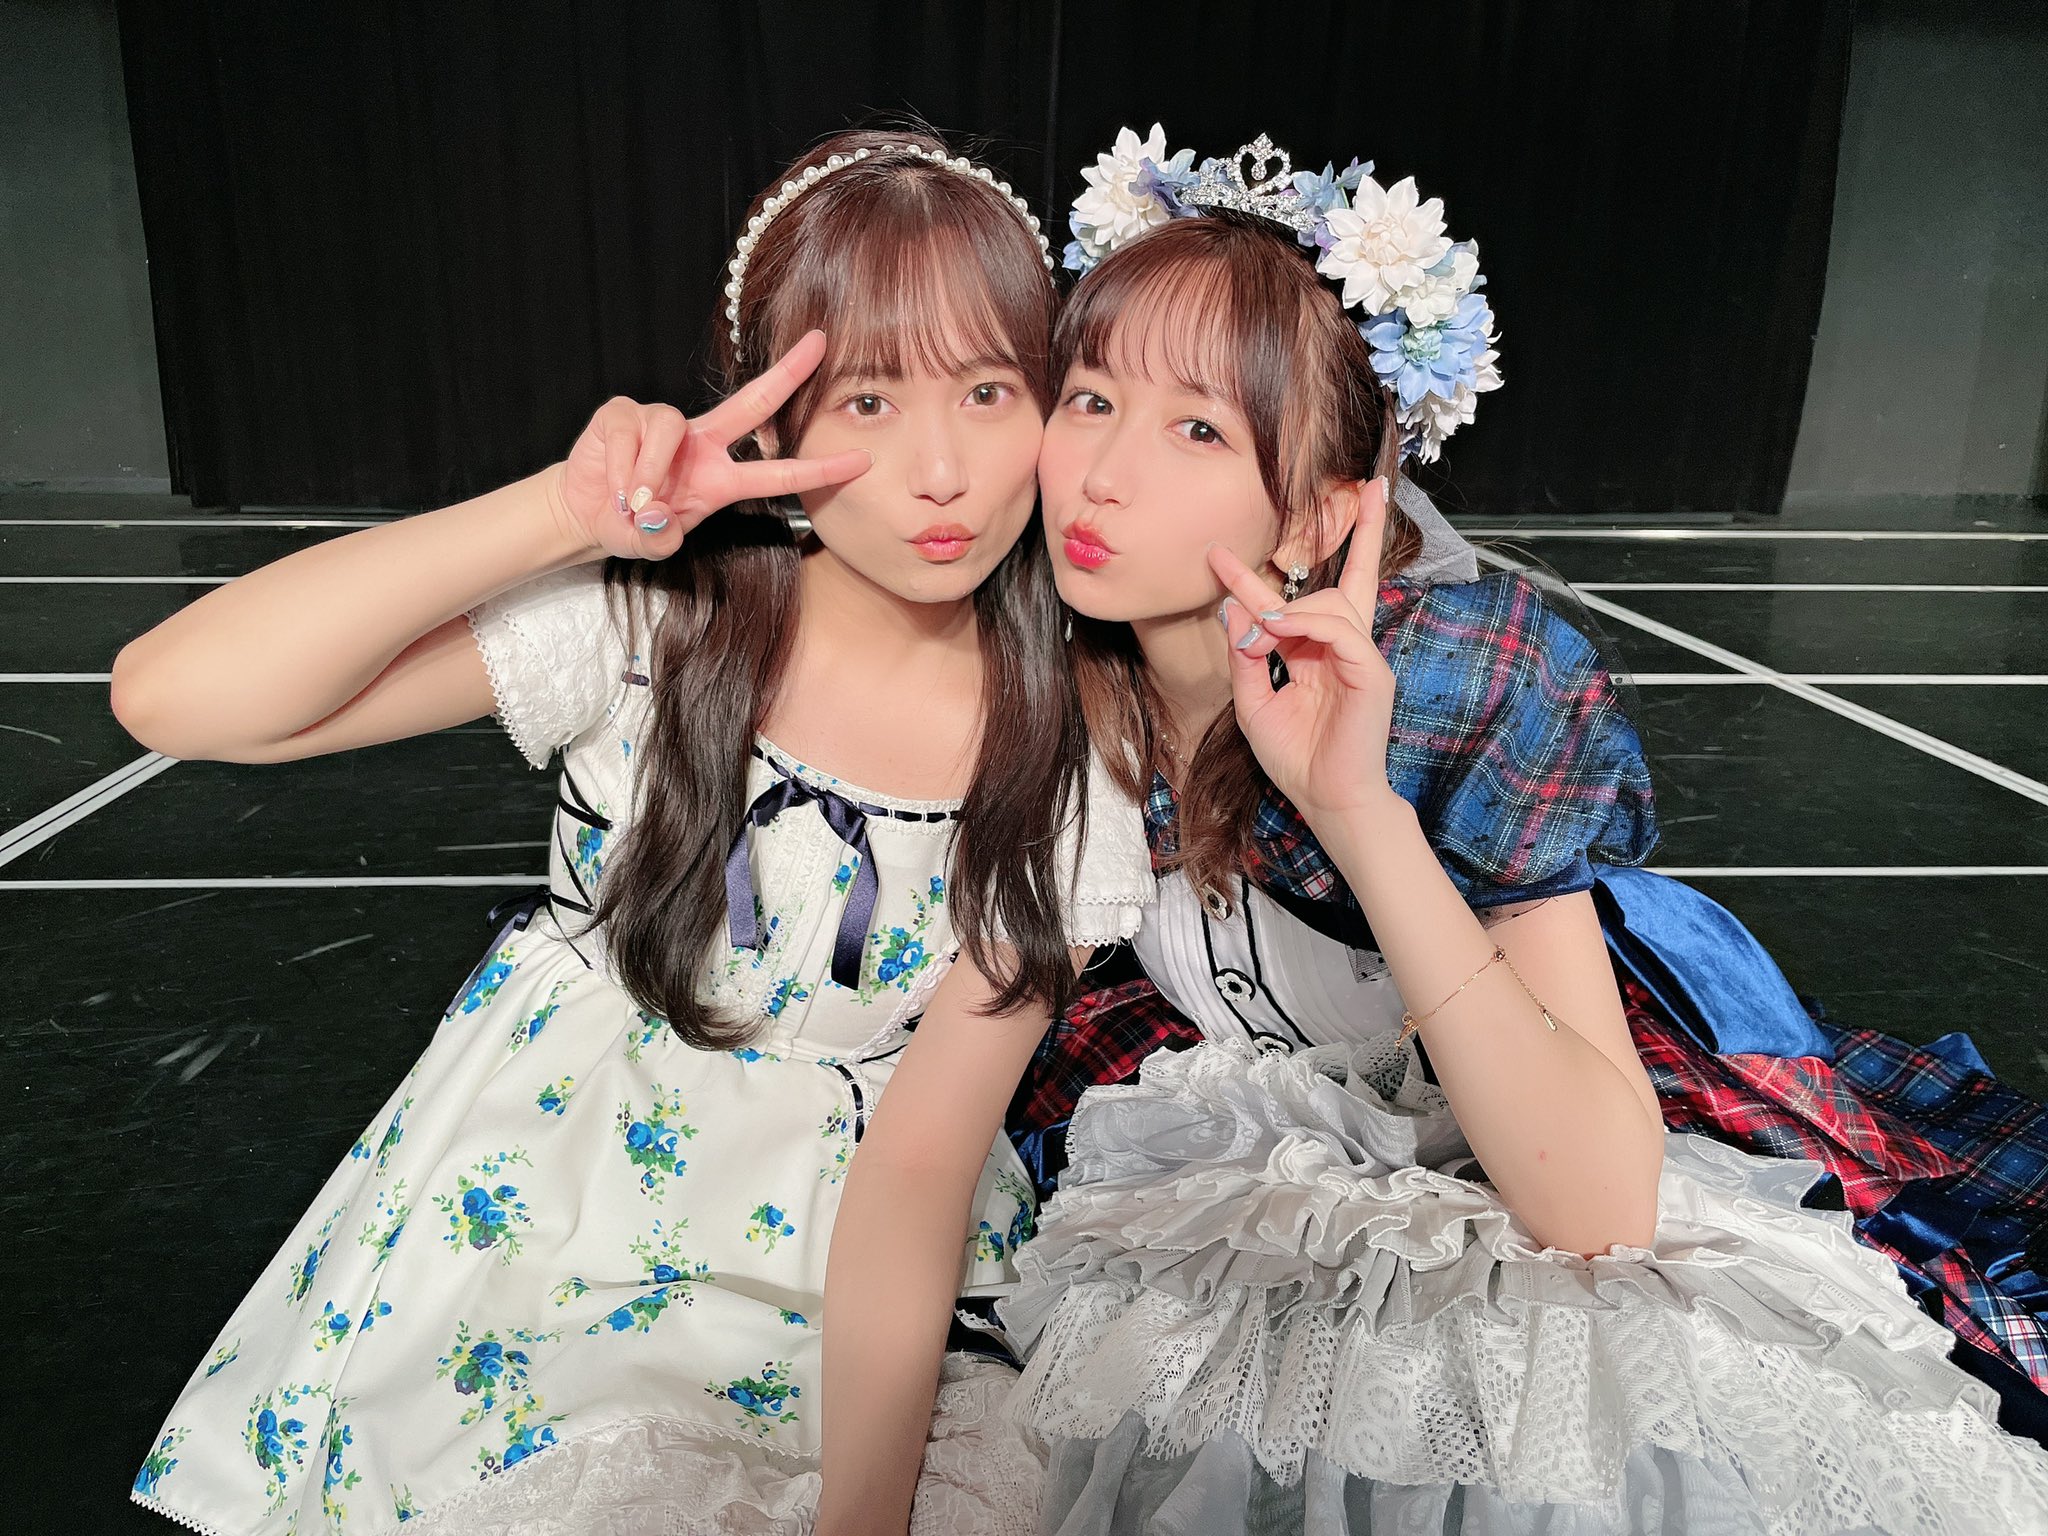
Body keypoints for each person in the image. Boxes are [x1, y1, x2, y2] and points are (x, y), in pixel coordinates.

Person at [987, 126, 2048, 1530]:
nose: (1103, 475)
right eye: (1089, 399)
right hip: (1274, 1160)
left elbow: (1597, 1205)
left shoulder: (1456, 682)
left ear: (1321, 514)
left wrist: (1355, 810)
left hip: (1559, 1120)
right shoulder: (1046, 672)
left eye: (1198, 430)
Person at [115, 128, 1150, 1535]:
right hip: (538, 1235)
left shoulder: (1068, 753)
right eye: (867, 399)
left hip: (851, 1287)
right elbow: (175, 696)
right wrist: (558, 512)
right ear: (769, 425)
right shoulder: (651, 631)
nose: (941, 470)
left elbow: (922, 1163)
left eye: (987, 391)